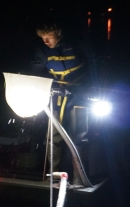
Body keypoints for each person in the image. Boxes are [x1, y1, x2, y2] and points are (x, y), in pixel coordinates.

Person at [29, 23, 87, 173]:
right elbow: (33, 69)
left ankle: (80, 176)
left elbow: (93, 64)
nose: (45, 41)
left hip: (80, 95)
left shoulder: (76, 44)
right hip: (57, 95)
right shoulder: (42, 51)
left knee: (79, 135)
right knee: (53, 136)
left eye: (48, 37)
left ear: (58, 33)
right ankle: (53, 176)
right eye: (43, 38)